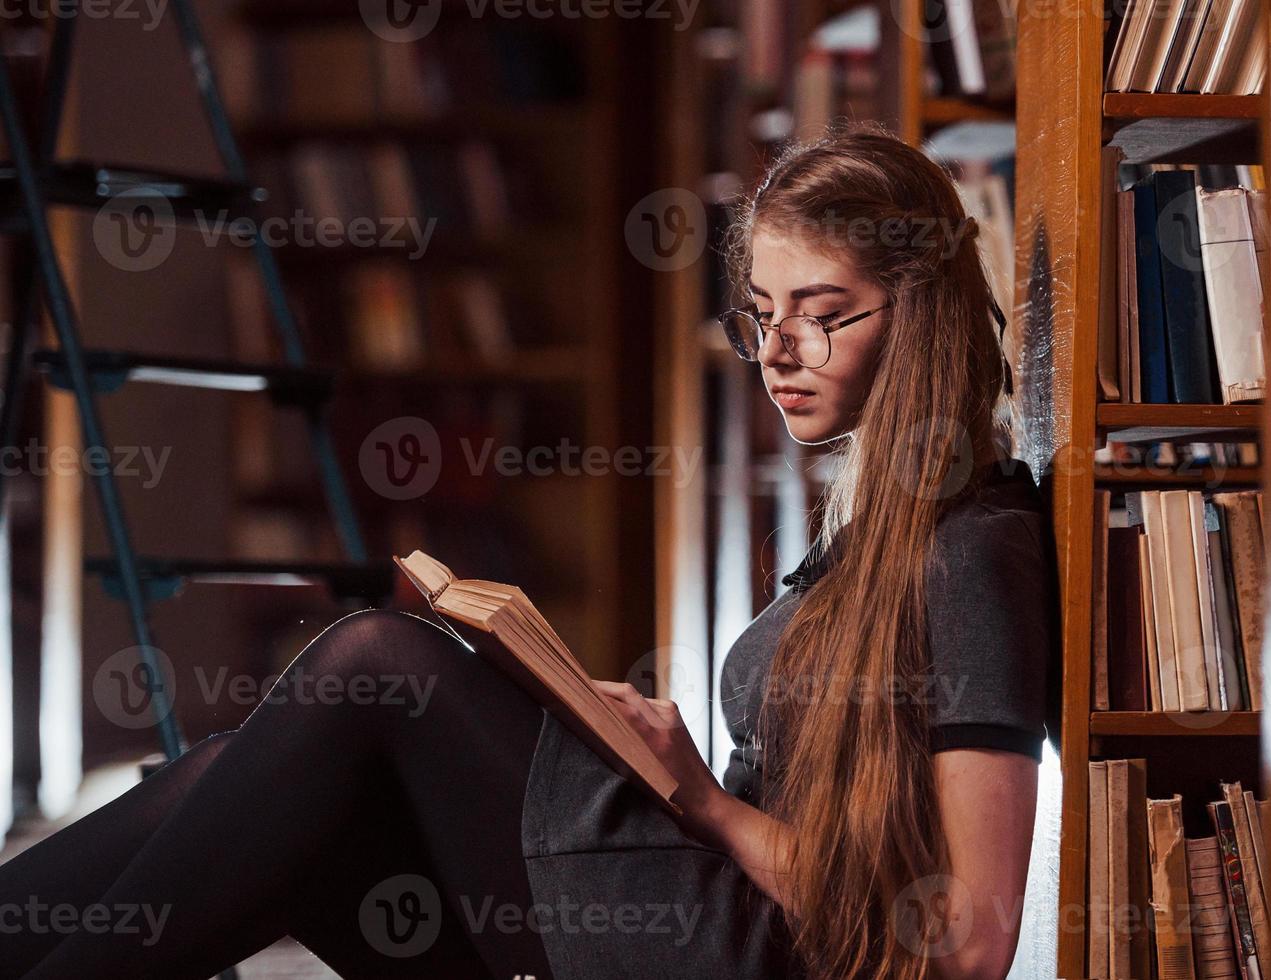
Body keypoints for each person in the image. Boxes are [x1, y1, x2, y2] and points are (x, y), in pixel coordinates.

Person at [0, 122, 1059, 980]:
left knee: (376, 662)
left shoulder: (973, 552)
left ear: (915, 317)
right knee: (290, 810)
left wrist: (701, 802)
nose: (777, 352)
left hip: (740, 945)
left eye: (821, 315)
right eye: (763, 315)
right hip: (699, 913)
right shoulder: (876, 532)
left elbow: (966, 941)